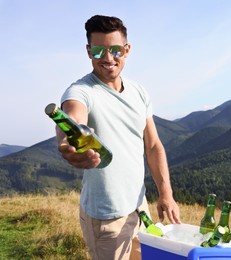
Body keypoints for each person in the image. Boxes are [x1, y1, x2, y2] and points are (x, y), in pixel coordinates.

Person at [55, 14, 181, 260]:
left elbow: (153, 145)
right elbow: (72, 117)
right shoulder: (81, 91)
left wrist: (166, 193)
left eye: (115, 50)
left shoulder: (138, 91)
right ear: (89, 51)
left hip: (139, 208)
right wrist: (69, 139)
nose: (108, 58)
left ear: (127, 49)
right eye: (99, 51)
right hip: (106, 218)